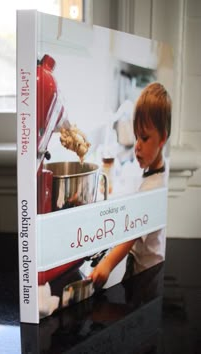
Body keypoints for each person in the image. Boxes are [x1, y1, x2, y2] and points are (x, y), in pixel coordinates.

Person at [90, 82, 172, 289]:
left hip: (148, 276)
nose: (137, 146)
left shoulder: (154, 187)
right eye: (136, 137)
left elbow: (132, 236)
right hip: (139, 267)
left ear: (162, 138)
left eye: (144, 138)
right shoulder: (150, 171)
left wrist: (107, 264)